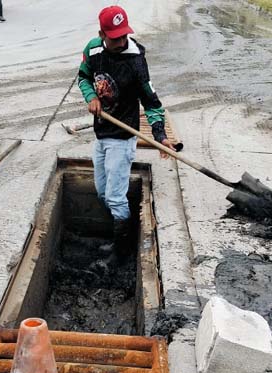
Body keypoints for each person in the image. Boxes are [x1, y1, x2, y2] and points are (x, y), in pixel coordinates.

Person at [77, 5, 175, 258]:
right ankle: (119, 235)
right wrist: (91, 97)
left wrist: (160, 135)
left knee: (115, 197)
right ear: (102, 34)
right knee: (101, 192)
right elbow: (83, 77)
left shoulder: (135, 61)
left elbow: (152, 103)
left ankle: (121, 252)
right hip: (101, 133)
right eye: (115, 37)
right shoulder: (93, 49)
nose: (121, 41)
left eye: (124, 35)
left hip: (123, 137)